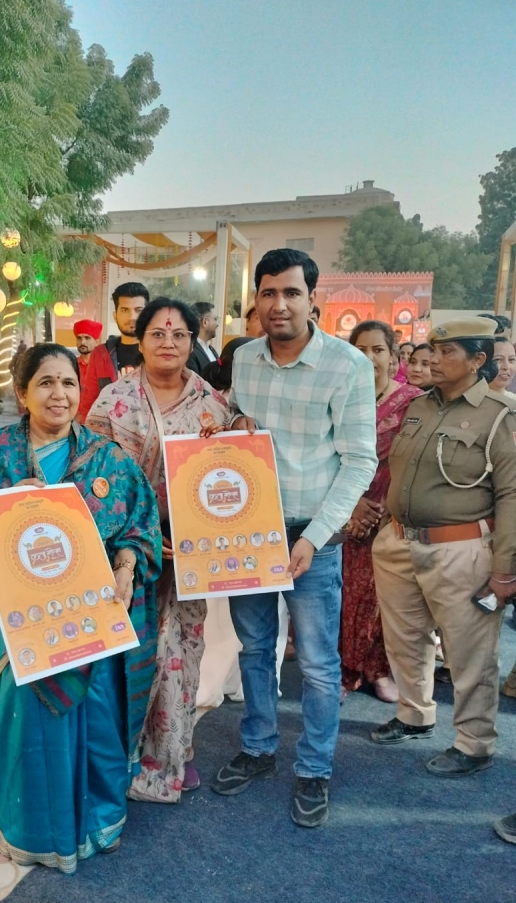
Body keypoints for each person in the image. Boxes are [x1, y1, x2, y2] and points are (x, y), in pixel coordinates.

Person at [0, 344, 161, 872]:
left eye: (68, 383)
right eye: (45, 383)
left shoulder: (108, 458)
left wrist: (126, 565)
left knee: (98, 712)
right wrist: (1, 509)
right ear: (22, 394)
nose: (59, 394)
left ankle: (99, 823)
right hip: (21, 616)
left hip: (90, 610)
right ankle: (35, 832)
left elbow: (140, 524)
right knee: (30, 719)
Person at [211, 248, 377, 828]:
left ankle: (314, 768)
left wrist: (317, 538)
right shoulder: (246, 358)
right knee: (255, 649)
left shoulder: (347, 366)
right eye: (268, 293)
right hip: (249, 533)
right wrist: (234, 423)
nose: (278, 304)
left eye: (291, 293)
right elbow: (235, 418)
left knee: (318, 663)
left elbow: (359, 462)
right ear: (255, 300)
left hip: (314, 537)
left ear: (312, 300)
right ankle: (258, 748)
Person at [87, 297, 232, 801]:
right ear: (140, 340)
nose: (168, 343)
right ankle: (119, 757)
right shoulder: (113, 401)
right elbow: (93, 478)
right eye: (157, 334)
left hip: (188, 552)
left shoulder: (213, 404)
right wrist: (140, 537)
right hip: (124, 549)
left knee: (180, 652)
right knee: (128, 655)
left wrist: (194, 534)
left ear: (193, 341)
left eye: (179, 335)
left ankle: (169, 755)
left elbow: (222, 477)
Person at [369, 319, 516, 776]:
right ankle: (415, 714)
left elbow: (512, 495)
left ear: (477, 360)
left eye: (447, 351)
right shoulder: (419, 405)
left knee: (470, 651)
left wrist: (505, 570)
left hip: (461, 548)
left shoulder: (500, 415)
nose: (433, 358)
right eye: (432, 349)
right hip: (399, 542)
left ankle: (474, 742)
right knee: (404, 638)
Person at [339, 321, 422, 702]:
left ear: (393, 357)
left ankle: (378, 669)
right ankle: (344, 670)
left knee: (384, 598)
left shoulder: (414, 402)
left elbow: (419, 461)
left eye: (378, 350)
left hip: (392, 515)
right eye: (360, 349)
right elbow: (325, 454)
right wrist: (352, 505)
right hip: (343, 509)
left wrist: (388, 508)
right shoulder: (338, 397)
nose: (369, 357)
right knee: (343, 595)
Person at [78, 282, 149, 420]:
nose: (132, 317)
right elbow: (88, 403)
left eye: (138, 310)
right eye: (125, 310)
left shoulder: (159, 352)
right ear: (115, 316)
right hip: (108, 430)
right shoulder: (100, 354)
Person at [187, 302, 220, 375]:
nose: (218, 324)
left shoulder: (211, 350)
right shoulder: (190, 351)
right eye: (215, 319)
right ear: (205, 321)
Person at [73, 319, 103, 387]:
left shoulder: (104, 365)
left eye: (87, 338)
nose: (82, 342)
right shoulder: (72, 364)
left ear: (96, 341)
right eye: (79, 338)